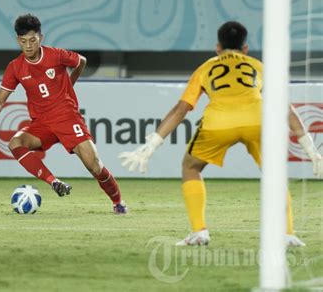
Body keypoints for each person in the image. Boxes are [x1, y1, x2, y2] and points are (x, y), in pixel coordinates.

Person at [119, 21, 322, 246]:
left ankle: (199, 232)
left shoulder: (206, 68)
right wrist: (310, 148)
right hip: (257, 121)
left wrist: (152, 144)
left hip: (218, 123)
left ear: (217, 47)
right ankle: (287, 233)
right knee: (275, 175)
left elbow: (182, 109)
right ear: (245, 48)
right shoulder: (257, 65)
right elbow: (285, 107)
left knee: (191, 167)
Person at [0, 14, 127, 214]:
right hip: (41, 123)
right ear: (18, 40)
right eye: (23, 41)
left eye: (32, 40)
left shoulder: (56, 55)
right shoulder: (15, 67)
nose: (28, 46)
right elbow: (1, 97)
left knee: (94, 166)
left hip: (67, 117)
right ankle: (54, 182)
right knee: (15, 143)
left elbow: (81, 61)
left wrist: (70, 83)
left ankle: (118, 202)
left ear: (40, 38)